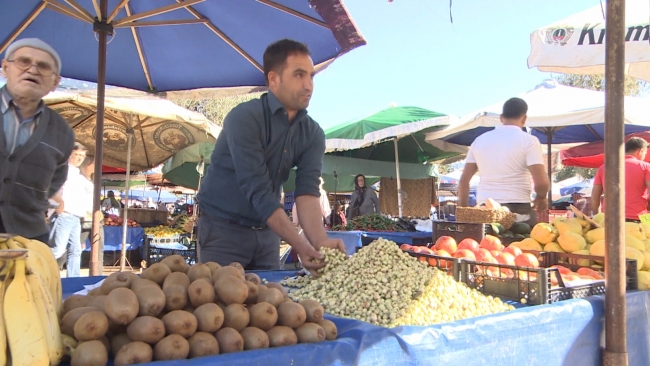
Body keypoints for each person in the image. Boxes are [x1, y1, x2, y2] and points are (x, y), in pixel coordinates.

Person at [197, 39, 344, 271]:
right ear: (273, 79)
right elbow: (258, 190)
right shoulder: (244, 118)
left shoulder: (312, 133)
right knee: (217, 304)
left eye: (311, 76)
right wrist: (299, 244)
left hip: (267, 235)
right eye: (298, 75)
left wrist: (319, 241)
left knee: (269, 303)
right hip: (222, 230)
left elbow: (307, 191)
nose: (308, 85)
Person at [0, 38, 75, 242]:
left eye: (43, 67)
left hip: (29, 239)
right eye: (23, 61)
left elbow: (55, 181)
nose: (32, 70)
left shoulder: (63, 132)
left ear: (55, 82)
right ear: (5, 68)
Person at [458, 97, 549, 226]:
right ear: (524, 119)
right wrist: (541, 197)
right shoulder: (529, 141)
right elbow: (541, 182)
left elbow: (464, 181)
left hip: (486, 209)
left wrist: (464, 211)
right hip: (519, 210)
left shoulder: (479, 141)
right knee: (522, 245)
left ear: (501, 118)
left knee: (486, 246)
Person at [49, 142, 87, 277]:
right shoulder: (61, 170)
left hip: (75, 217)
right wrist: (60, 202)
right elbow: (49, 188)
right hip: (64, 215)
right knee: (57, 250)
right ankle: (38, 272)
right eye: (76, 154)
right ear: (69, 154)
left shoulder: (77, 173)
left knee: (75, 250)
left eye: (82, 155)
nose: (79, 158)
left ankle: (73, 279)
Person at [591, 137, 650, 222]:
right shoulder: (646, 167)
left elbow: (595, 196)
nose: (645, 156)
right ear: (640, 152)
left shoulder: (604, 168)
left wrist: (596, 216)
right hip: (638, 217)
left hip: (609, 219)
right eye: (645, 153)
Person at [78, 155, 104, 274]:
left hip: (96, 218)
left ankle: (96, 274)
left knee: (99, 248)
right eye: (94, 163)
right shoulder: (79, 179)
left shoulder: (93, 180)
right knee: (76, 248)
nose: (96, 166)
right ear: (87, 165)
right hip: (83, 218)